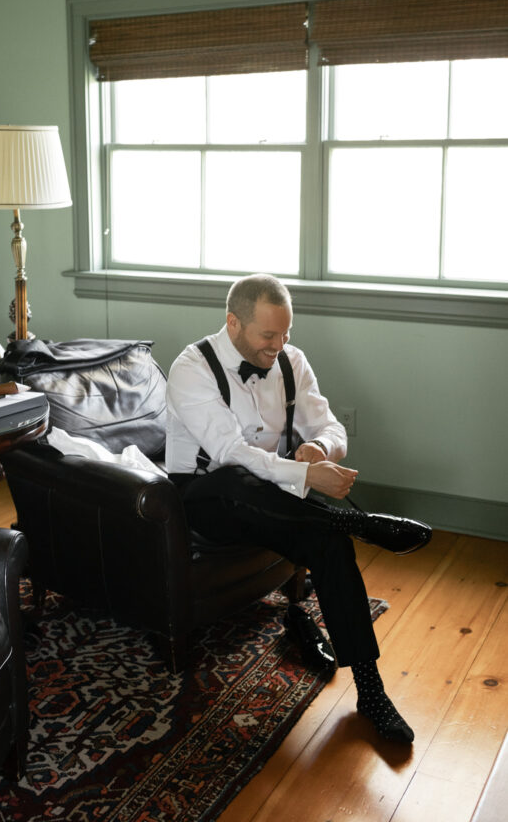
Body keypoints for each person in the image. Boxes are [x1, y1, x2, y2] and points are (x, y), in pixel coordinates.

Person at [165, 273, 431, 744]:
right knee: (232, 478)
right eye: (268, 335)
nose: (279, 345)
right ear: (233, 323)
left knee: (329, 544)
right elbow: (229, 452)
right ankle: (353, 521)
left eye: (286, 333)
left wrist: (318, 448)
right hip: (205, 498)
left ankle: (371, 691)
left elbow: (333, 428)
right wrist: (305, 477)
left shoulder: (291, 360)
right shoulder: (192, 367)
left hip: (276, 500)